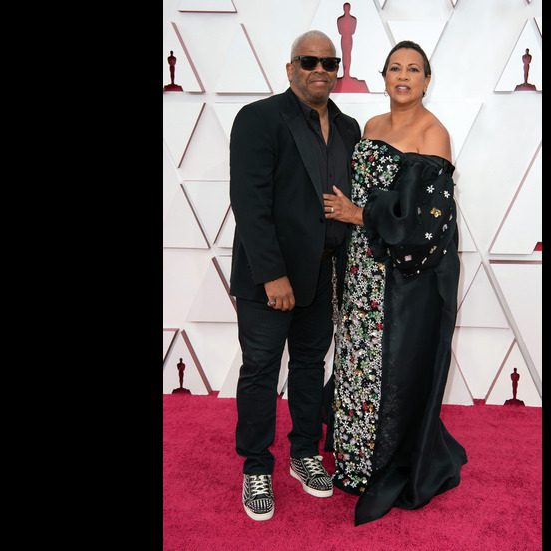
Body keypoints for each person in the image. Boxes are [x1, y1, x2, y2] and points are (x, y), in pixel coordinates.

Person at [323, 40, 468, 526]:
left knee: (395, 364)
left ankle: (384, 463)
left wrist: (360, 215)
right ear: (383, 76)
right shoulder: (371, 126)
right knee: (355, 359)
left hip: (406, 276)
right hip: (361, 267)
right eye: (395, 68)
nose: (403, 76)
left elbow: (427, 221)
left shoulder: (434, 133)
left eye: (413, 69)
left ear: (427, 81)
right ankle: (352, 460)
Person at [228, 30, 361, 522]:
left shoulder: (348, 128)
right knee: (261, 369)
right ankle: (256, 466)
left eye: (329, 62)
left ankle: (305, 452)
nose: (320, 69)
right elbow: (249, 203)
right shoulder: (259, 118)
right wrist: (272, 276)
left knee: (309, 366)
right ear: (290, 69)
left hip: (323, 273)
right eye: (309, 61)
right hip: (271, 277)